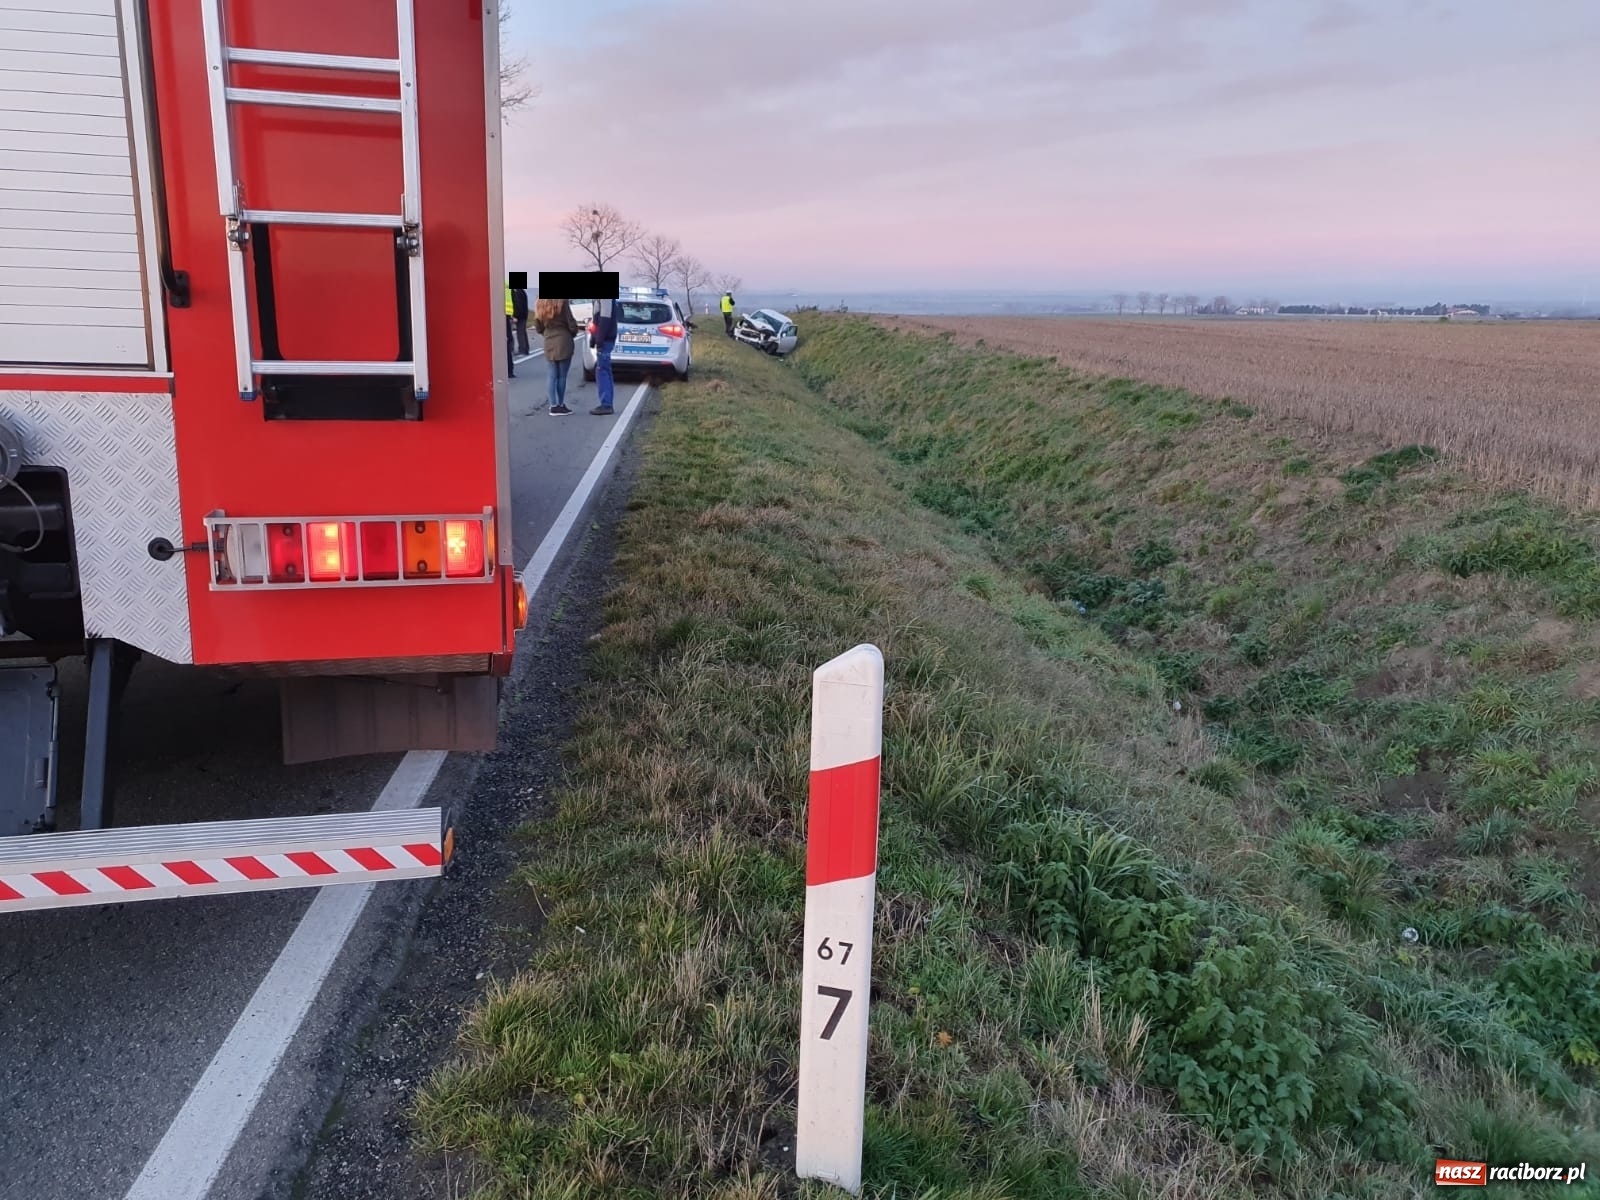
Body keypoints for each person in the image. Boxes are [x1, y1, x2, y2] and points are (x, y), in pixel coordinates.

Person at [533, 296, 580, 414]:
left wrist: (546, 332)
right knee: (562, 376)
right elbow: (571, 322)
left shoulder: (540, 301)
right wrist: (573, 332)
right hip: (564, 338)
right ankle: (560, 403)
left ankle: (553, 405)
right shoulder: (562, 301)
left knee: (552, 375)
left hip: (549, 339)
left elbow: (538, 325)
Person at [590, 296, 617, 416]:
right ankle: (607, 403)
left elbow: (605, 319)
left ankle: (606, 404)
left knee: (602, 371)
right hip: (605, 338)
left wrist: (599, 339)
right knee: (605, 370)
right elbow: (597, 320)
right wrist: (593, 336)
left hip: (605, 339)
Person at [512, 284, 530, 356]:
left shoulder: (517, 292)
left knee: (520, 333)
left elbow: (517, 305)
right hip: (524, 315)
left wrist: (515, 315)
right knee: (523, 332)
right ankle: (526, 348)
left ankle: (522, 349)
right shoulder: (522, 292)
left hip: (520, 316)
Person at [504, 284, 516, 377]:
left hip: (495, 314)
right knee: (507, 342)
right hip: (506, 315)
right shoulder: (507, 284)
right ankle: (509, 370)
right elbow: (514, 299)